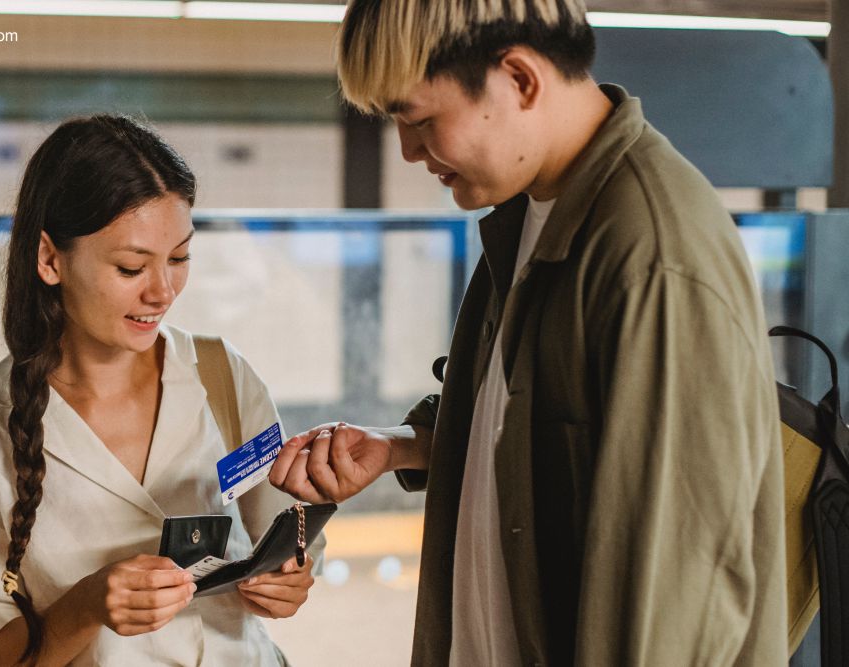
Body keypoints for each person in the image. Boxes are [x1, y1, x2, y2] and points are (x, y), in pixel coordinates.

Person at [270, 0, 786, 665]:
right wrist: (405, 446)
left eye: (421, 119)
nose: (409, 150)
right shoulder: (528, 213)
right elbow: (542, 428)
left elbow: (670, 598)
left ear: (519, 78)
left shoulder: (650, 254)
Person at [0, 115, 319, 666]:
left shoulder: (222, 375)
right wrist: (86, 604)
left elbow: (285, 528)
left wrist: (292, 574)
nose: (163, 292)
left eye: (179, 258)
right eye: (132, 266)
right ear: (49, 258)